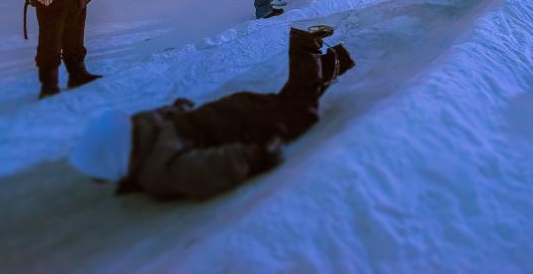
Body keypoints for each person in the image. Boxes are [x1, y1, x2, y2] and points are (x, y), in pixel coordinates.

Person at [69, 26, 355, 200]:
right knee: (292, 100)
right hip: (231, 107)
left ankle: (306, 47)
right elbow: (170, 112)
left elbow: (214, 166)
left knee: (300, 111)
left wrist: (257, 154)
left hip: (244, 126)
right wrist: (181, 107)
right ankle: (330, 61)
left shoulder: (159, 171)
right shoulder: (149, 127)